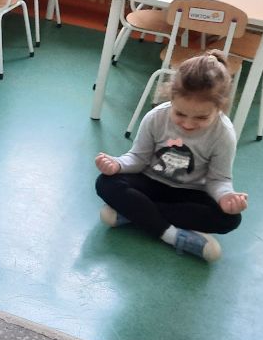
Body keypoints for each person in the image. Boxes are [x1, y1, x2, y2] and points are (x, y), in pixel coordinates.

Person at [94, 51, 249, 262]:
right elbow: (138, 158)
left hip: (189, 192)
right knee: (105, 182)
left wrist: (225, 197)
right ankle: (172, 235)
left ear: (220, 107)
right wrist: (117, 164)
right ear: (171, 97)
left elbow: (218, 179)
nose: (188, 124)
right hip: (150, 182)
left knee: (230, 219)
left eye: (201, 117)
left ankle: (133, 214)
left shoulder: (223, 133)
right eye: (180, 114)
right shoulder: (156, 117)